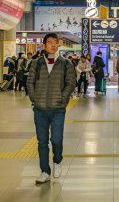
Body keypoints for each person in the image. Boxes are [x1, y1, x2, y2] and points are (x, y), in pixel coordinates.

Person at [26, 33, 76, 184]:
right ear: (44, 45)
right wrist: (34, 98)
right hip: (40, 109)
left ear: (58, 45)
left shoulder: (66, 63)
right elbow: (30, 82)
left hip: (57, 109)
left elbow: (71, 83)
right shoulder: (36, 63)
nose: (53, 45)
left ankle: (57, 161)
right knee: (42, 142)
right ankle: (44, 171)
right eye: (49, 42)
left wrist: (63, 99)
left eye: (55, 42)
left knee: (56, 139)